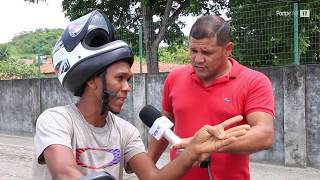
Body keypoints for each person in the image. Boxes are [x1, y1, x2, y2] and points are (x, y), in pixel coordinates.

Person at [32, 10, 251, 180]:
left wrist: (192, 152)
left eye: (129, 80)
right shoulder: (56, 120)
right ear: (91, 80)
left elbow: (153, 177)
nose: (127, 87)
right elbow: (65, 172)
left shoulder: (125, 132)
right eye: (120, 79)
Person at [147, 15, 275, 180]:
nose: (198, 59)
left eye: (207, 52)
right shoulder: (175, 78)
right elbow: (165, 125)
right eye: (193, 51)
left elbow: (264, 134)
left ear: (228, 49)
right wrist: (147, 164)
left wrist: (212, 146)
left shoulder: (253, 82)